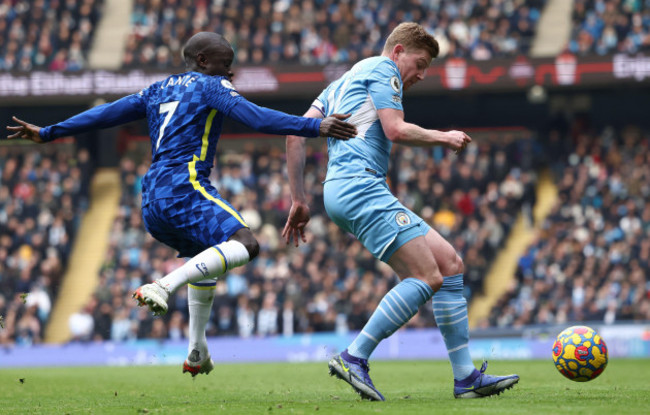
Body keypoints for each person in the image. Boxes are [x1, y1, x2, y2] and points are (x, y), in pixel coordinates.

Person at [7, 32, 356, 377]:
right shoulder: (211, 86)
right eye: (225, 64)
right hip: (184, 186)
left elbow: (106, 113)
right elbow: (258, 118)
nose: (229, 72)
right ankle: (162, 286)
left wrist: (49, 131)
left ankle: (196, 350)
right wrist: (315, 126)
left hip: (150, 201)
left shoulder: (157, 89)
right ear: (203, 61)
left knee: (208, 258)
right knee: (246, 244)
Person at [282, 22, 519, 400]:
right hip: (361, 187)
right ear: (397, 52)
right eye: (420, 63)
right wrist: (445, 136)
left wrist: (298, 198)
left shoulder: (341, 83)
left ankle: (466, 378)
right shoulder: (382, 70)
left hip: (347, 189)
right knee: (427, 278)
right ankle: (353, 357)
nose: (422, 75)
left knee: (450, 264)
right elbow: (394, 130)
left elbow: (296, 134)